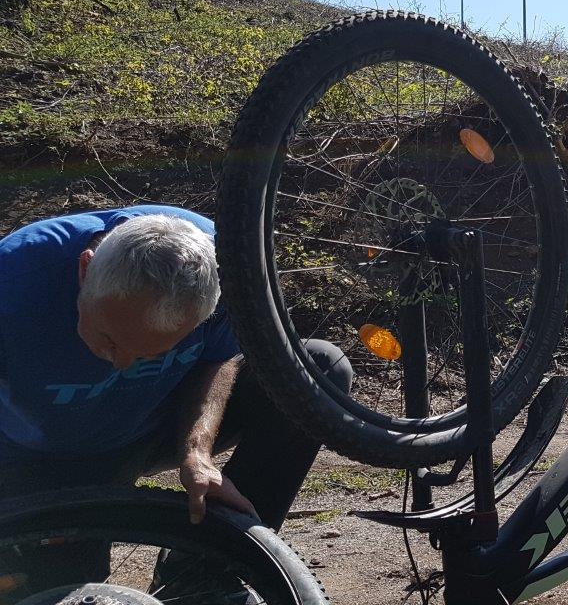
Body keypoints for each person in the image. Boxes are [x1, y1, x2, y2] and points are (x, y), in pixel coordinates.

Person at [0, 205, 354, 587]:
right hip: (44, 452)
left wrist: (197, 453)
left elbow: (218, 360)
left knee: (319, 370)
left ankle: (204, 576)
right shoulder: (14, 279)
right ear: (85, 270)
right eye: (109, 339)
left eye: (152, 353)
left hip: (157, 419)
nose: (120, 364)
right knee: (57, 587)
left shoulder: (229, 270)